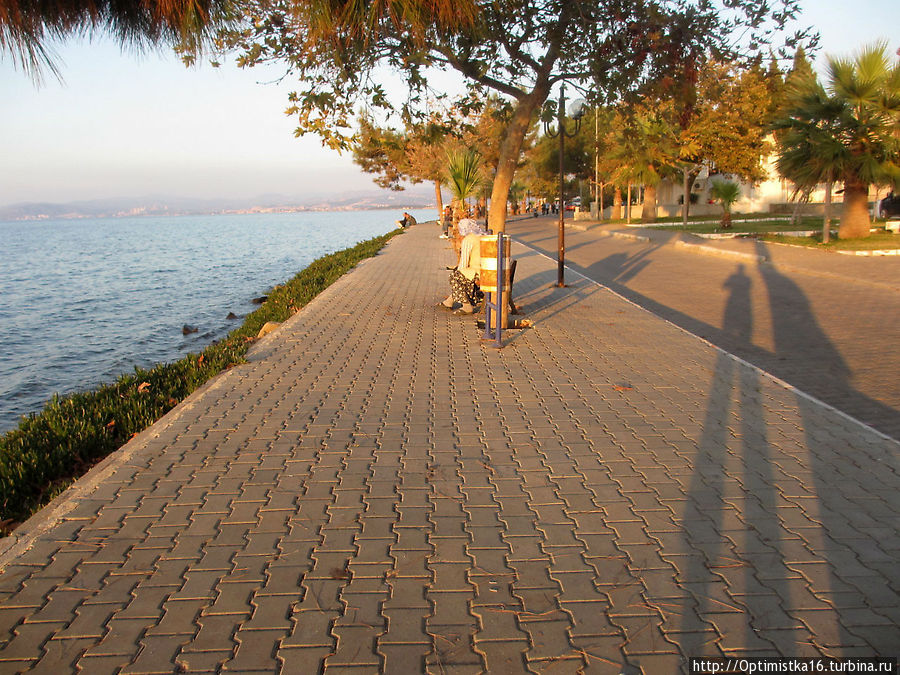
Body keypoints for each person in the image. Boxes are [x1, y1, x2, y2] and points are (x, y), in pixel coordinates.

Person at [438, 232, 483, 315]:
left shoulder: (468, 240)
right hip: (484, 271)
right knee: (462, 277)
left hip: (478, 273)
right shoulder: (480, 236)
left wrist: (457, 271)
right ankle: (448, 302)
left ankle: (467, 306)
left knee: (455, 277)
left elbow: (463, 264)